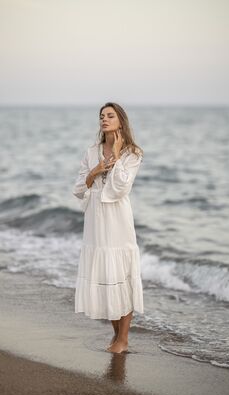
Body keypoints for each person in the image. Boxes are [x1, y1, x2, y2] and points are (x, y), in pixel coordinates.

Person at [72, 102, 144, 354]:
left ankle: (123, 338)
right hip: (95, 222)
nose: (104, 119)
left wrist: (116, 150)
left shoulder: (132, 154)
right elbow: (79, 188)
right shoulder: (91, 152)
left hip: (118, 221)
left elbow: (121, 187)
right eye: (101, 116)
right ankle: (117, 335)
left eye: (110, 115)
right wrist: (95, 170)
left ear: (120, 121)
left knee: (122, 277)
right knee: (106, 277)